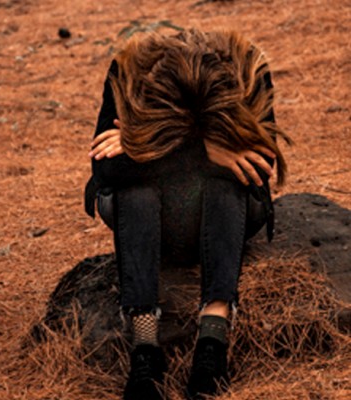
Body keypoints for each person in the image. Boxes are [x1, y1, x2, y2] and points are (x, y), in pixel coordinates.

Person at [84, 29, 290, 399]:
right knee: (138, 191)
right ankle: (144, 347)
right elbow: (104, 173)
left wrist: (144, 149)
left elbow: (259, 172)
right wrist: (207, 151)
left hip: (228, 211)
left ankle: (213, 338)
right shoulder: (128, 72)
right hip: (146, 212)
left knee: (227, 183)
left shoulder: (248, 71)